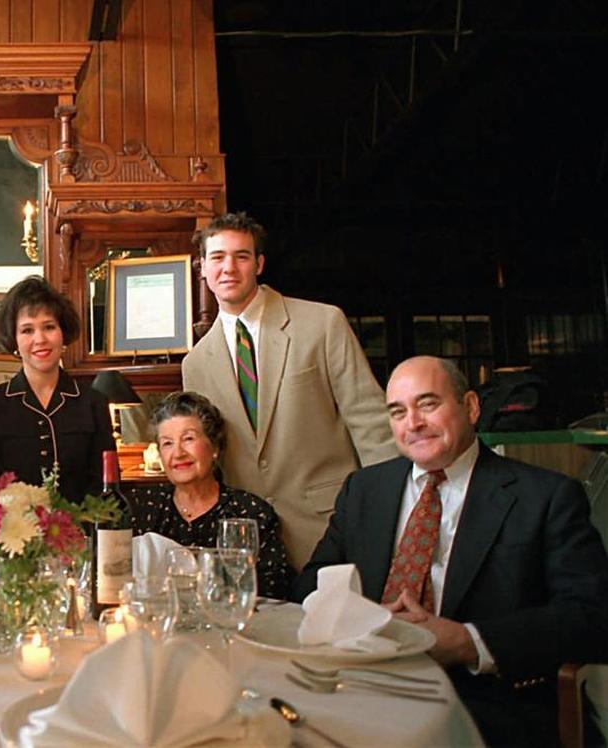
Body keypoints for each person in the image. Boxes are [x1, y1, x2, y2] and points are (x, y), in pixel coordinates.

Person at [291, 356, 608, 746]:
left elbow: (592, 617)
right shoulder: (363, 490)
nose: (413, 423)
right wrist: (363, 619)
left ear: (471, 407)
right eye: (398, 411)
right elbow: (309, 587)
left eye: (428, 404)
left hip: (489, 703)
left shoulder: (545, 496)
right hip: (365, 689)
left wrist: (466, 641)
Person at [182, 212, 395, 569]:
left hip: (331, 527)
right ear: (202, 268)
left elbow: (371, 422)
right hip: (249, 546)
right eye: (217, 257)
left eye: (242, 256)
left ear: (260, 264)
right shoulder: (196, 364)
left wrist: (391, 515)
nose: (229, 267)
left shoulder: (322, 323)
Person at [126, 392, 293, 599]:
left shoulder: (249, 511)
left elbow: (274, 588)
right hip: (159, 624)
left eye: (188, 439)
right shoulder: (143, 506)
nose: (178, 453)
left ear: (214, 447)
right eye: (167, 443)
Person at [0, 276, 115, 503]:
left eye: (49, 327)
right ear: (14, 340)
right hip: (14, 534)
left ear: (63, 333)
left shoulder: (93, 402)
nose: (40, 339)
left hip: (82, 534)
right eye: (27, 330)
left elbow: (106, 487)